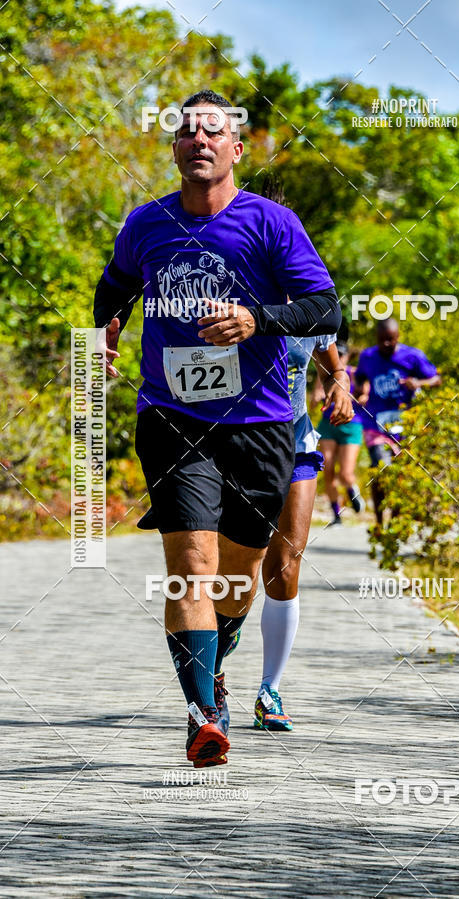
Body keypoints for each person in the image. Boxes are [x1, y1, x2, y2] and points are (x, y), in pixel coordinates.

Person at [93, 89, 341, 768]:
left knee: (237, 577)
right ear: (175, 148)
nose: (198, 140)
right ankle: (204, 717)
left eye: (214, 132)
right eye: (186, 132)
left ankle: (220, 650)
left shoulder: (272, 224)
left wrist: (258, 319)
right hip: (171, 418)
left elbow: (325, 307)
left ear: (236, 149)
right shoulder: (146, 225)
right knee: (190, 567)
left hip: (260, 425)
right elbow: (113, 284)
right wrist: (104, 331)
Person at [251, 335, 353, 730]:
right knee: (234, 573)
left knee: (286, 563)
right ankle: (216, 661)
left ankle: (268, 690)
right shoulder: (234, 291)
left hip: (295, 444)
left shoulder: (311, 307)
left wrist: (339, 386)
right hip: (235, 447)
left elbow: (332, 366)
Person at [353, 318, 440, 525]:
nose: (385, 344)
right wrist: (361, 389)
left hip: (404, 424)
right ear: (376, 338)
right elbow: (360, 376)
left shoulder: (413, 356)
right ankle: (379, 521)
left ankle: (395, 522)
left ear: (398, 337)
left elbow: (437, 379)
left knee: (400, 474)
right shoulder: (368, 356)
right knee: (381, 467)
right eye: (382, 340)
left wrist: (418, 382)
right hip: (375, 423)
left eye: (390, 340)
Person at [315, 341, 365, 525]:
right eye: (338, 354)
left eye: (342, 355)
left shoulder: (354, 373)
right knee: (327, 468)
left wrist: (355, 397)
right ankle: (336, 514)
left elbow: (365, 395)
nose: (340, 358)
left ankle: (352, 491)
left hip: (351, 425)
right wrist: (318, 398)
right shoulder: (325, 373)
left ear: (347, 356)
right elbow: (315, 398)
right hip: (328, 424)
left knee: (345, 473)